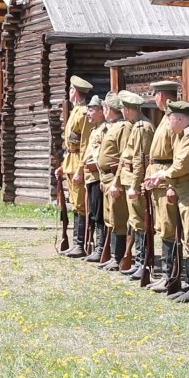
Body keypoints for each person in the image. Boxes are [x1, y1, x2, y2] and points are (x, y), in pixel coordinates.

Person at [145, 101, 189, 303]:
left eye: (170, 118)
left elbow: (181, 165)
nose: (168, 122)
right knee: (187, 238)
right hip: (184, 190)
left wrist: (164, 175)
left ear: (179, 118)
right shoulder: (182, 135)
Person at [143, 81, 180, 293]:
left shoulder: (173, 122)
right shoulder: (165, 120)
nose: (153, 97)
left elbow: (176, 156)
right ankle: (167, 274)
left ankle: (171, 276)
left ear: (163, 97)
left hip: (166, 181)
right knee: (162, 228)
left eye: (155, 94)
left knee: (169, 229)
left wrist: (171, 184)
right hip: (158, 180)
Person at [115, 91, 154, 278]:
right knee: (135, 221)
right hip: (129, 177)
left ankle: (143, 263)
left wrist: (135, 185)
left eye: (123, 108)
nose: (122, 111)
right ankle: (139, 261)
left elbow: (140, 159)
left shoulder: (142, 128)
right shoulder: (136, 126)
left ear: (130, 109)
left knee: (140, 222)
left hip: (134, 180)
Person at [56, 75, 94, 257]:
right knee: (75, 204)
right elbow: (70, 145)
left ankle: (82, 244)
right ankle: (75, 243)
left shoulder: (84, 114)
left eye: (71, 90)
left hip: (78, 163)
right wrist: (64, 166)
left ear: (75, 92)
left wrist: (80, 169)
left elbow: (85, 144)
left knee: (81, 205)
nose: (69, 93)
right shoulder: (74, 112)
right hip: (71, 161)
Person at [97, 91, 131, 271]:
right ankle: (113, 256)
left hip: (114, 177)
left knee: (119, 219)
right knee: (110, 218)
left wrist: (116, 181)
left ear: (109, 109)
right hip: (107, 177)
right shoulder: (113, 126)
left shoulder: (123, 127)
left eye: (105, 108)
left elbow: (124, 155)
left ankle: (119, 257)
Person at [80, 95, 108, 262]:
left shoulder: (104, 130)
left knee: (99, 214)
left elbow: (104, 156)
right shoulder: (94, 130)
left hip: (98, 177)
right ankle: (98, 247)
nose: (88, 113)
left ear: (100, 112)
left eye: (91, 110)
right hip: (90, 177)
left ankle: (101, 248)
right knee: (93, 213)